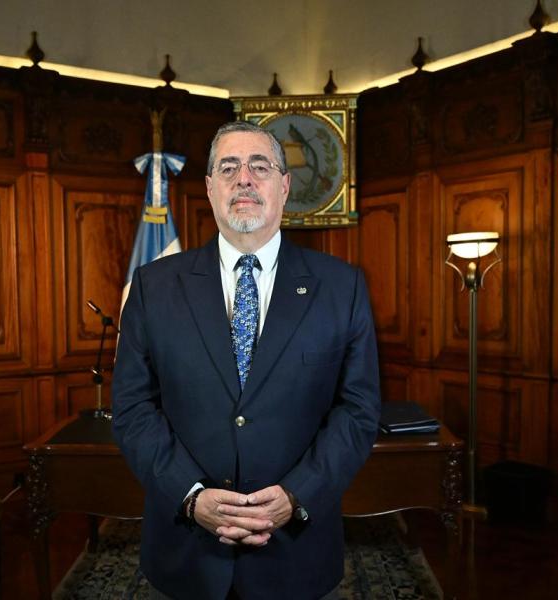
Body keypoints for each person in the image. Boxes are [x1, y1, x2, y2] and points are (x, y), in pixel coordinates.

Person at [112, 120, 381, 600]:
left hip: (296, 552)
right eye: (229, 167)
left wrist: (296, 495)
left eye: (260, 166)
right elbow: (132, 408)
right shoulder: (153, 287)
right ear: (210, 188)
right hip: (186, 553)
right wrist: (191, 496)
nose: (244, 179)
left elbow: (358, 411)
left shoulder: (343, 288)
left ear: (284, 186)